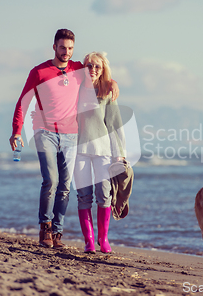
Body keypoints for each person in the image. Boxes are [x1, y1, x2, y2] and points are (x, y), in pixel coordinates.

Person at [9, 29, 119, 249]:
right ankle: (45, 227)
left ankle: (58, 232)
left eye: (70, 48)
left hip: (71, 135)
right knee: (51, 180)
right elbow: (23, 101)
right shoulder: (39, 72)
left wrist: (112, 82)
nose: (66, 52)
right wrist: (16, 131)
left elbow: (98, 70)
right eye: (62, 47)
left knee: (66, 187)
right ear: (54, 47)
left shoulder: (78, 69)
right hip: (45, 132)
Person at [74, 52, 126, 254]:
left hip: (103, 151)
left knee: (104, 195)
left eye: (97, 67)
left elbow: (115, 124)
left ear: (103, 70)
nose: (92, 70)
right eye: (89, 66)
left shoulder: (106, 91)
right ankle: (89, 241)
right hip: (79, 151)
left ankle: (103, 240)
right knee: (83, 197)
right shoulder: (75, 90)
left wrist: (119, 153)